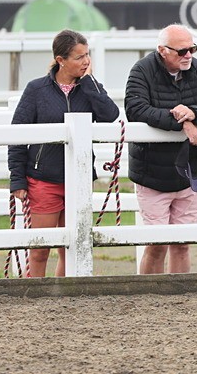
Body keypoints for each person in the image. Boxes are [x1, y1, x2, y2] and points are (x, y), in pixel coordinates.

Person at [8, 29, 120, 277]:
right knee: (40, 248)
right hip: (43, 180)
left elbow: (111, 115)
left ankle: (64, 295)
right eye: (79, 57)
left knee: (72, 248)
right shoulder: (36, 90)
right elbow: (16, 137)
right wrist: (17, 179)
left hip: (79, 180)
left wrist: (89, 84)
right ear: (61, 60)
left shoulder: (90, 87)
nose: (86, 61)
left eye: (87, 55)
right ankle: (35, 294)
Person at [124, 23, 197, 274]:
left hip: (190, 169)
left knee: (183, 243)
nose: (189, 55)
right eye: (182, 51)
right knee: (156, 244)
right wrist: (182, 122)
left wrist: (192, 113)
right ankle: (149, 295)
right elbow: (135, 110)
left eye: (192, 49)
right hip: (152, 172)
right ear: (162, 50)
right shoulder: (142, 70)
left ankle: (181, 294)